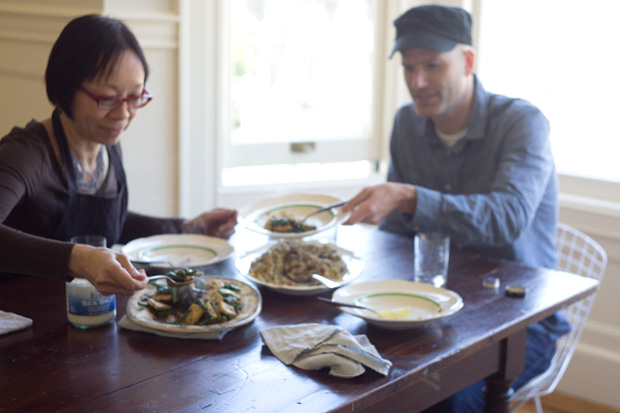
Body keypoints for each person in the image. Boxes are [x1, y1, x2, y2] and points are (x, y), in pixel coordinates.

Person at [341, 5, 570, 412]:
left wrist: (410, 197)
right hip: (427, 308)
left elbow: (508, 218)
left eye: (432, 65)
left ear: (467, 61)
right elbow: (396, 234)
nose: (418, 81)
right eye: (409, 68)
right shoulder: (406, 124)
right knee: (353, 372)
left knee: (441, 400)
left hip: (517, 318)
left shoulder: (522, 123)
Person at [0, 14, 237, 296]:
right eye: (108, 98)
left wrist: (187, 228)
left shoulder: (107, 146)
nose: (123, 114)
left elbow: (110, 221)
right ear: (65, 87)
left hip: (78, 318)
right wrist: (76, 258)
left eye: (135, 97)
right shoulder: (25, 155)